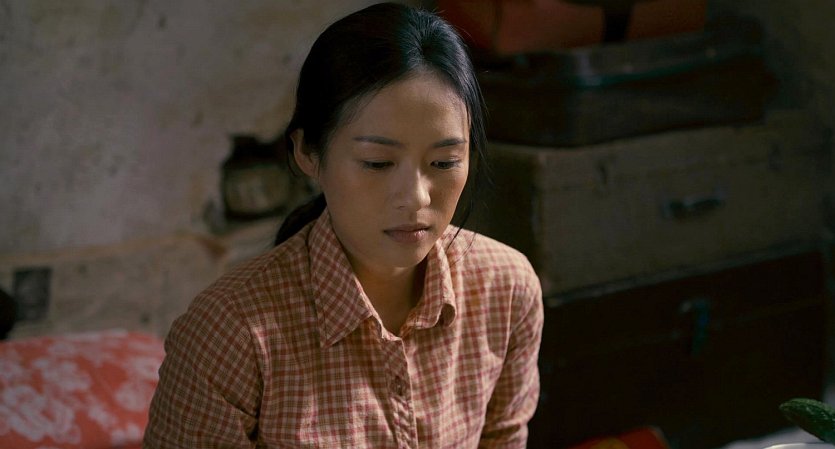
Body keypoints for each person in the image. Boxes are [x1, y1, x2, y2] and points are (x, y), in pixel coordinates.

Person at [143, 3, 543, 448]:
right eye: (377, 162)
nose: (416, 197)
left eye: (444, 162)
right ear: (308, 153)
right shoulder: (228, 335)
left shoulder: (506, 289)